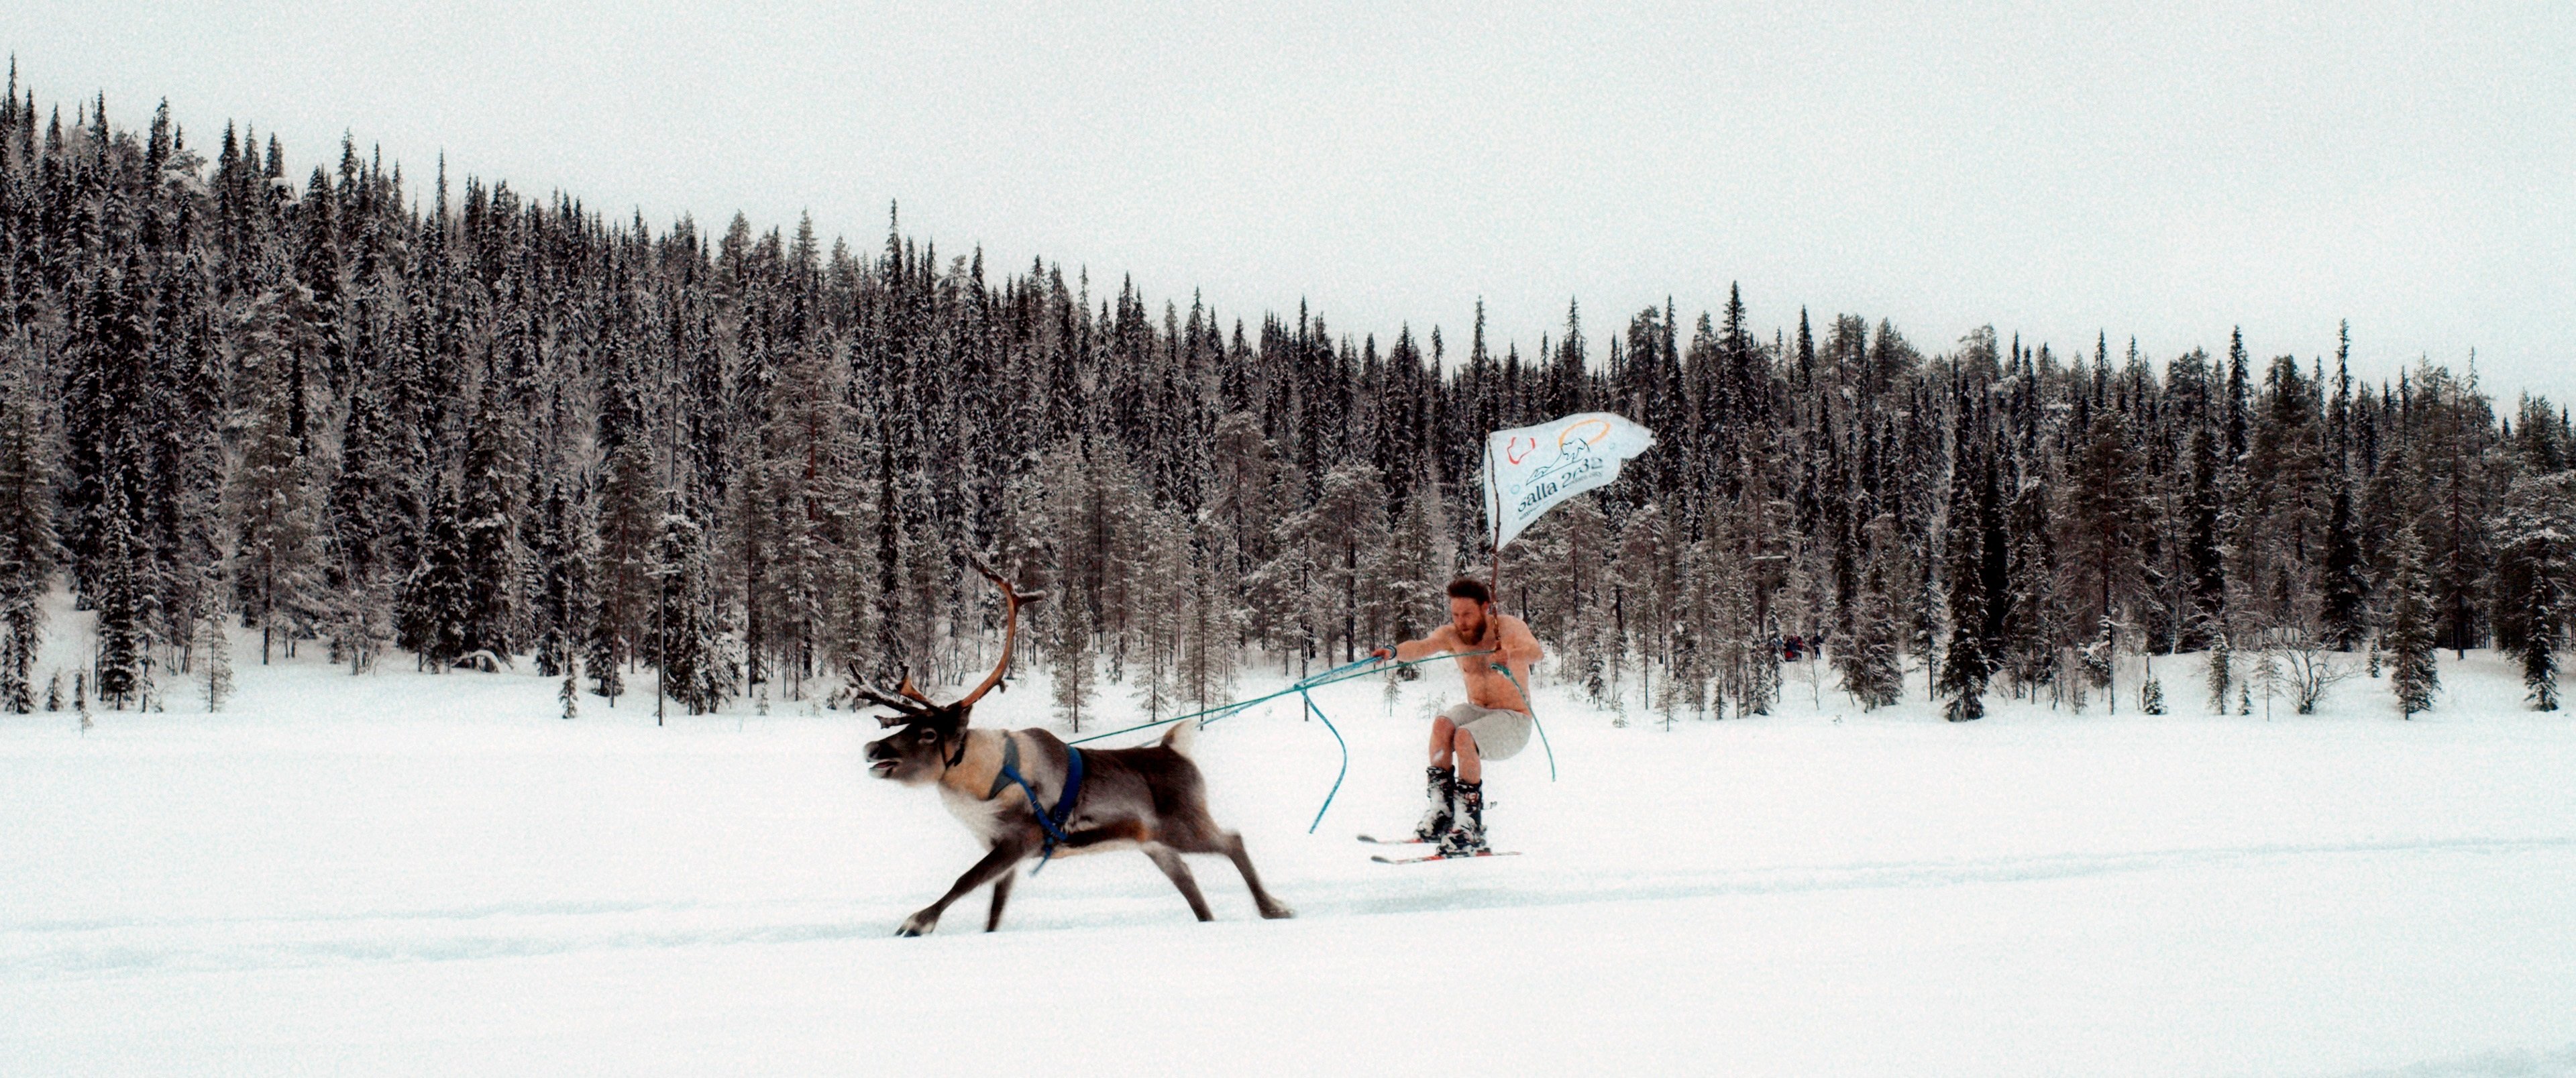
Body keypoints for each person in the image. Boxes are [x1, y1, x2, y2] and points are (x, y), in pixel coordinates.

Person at [1370, 578, 1544, 855]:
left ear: (1485, 607)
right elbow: (1422, 647)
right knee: (1443, 725)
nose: (1461, 621)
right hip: (1478, 711)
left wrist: (1511, 654)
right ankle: (1442, 810)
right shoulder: (1452, 635)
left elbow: (1536, 652)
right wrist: (1393, 652)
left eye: (1467, 614)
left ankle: (1469, 825)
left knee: (1464, 736)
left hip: (1513, 719)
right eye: (1455, 614)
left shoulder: (1508, 627)